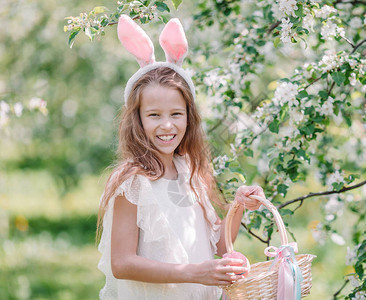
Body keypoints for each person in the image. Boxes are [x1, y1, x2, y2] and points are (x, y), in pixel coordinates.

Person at [96, 15, 265, 299]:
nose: (167, 125)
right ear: (137, 120)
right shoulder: (132, 183)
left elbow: (220, 249)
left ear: (189, 117)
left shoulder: (191, 171)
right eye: (154, 115)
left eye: (176, 114)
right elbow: (122, 264)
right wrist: (195, 272)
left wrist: (238, 206)